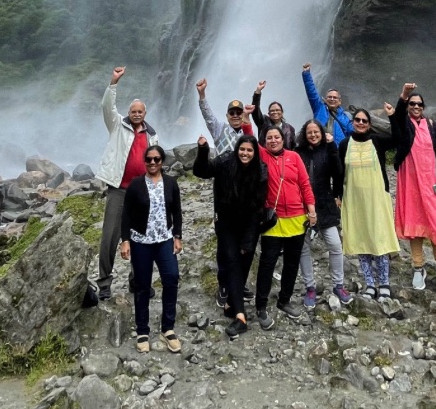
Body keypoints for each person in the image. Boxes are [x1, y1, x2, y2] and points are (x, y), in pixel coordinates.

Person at [95, 66, 161, 300]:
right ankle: (104, 282)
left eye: (139, 111)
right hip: (119, 190)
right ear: (128, 112)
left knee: (140, 237)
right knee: (110, 237)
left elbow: (156, 162)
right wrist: (113, 82)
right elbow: (106, 107)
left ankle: (138, 281)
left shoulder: (152, 135)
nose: (136, 114)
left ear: (145, 113)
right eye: (132, 110)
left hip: (141, 192)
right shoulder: (117, 125)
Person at [193, 134, 268, 337]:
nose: (245, 153)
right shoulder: (225, 161)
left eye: (249, 150)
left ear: (255, 153)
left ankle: (230, 305)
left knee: (244, 262)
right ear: (237, 150)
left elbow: (258, 208)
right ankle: (240, 316)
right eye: (242, 149)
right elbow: (201, 171)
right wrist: (203, 150)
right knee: (233, 262)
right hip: (226, 222)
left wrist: (248, 239)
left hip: (248, 223)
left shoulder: (260, 171)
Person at [389, 83, 436, 290]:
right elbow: (398, 116)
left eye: (419, 104)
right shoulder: (403, 124)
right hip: (410, 180)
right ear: (408, 106)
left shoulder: (433, 125)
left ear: (424, 107)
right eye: (412, 104)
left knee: (435, 219)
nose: (416, 107)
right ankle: (418, 266)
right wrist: (404, 95)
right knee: (414, 220)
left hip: (431, 180)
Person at [119, 144, 183, 353]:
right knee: (142, 285)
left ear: (162, 161)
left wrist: (177, 236)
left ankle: (168, 328)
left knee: (171, 278)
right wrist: (125, 240)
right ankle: (143, 330)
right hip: (141, 241)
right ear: (144, 162)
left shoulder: (171, 183)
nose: (153, 162)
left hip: (164, 239)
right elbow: (126, 214)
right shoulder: (136, 185)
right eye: (149, 159)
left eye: (156, 159)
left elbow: (177, 211)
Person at [254, 125, 316, 329]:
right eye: (269, 137)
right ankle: (261, 306)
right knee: (267, 263)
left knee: (291, 263)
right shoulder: (262, 155)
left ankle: (284, 300)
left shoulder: (294, 157)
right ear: (265, 142)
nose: (273, 140)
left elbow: (305, 184)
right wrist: (247, 115)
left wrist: (311, 210)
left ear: (283, 139)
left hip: (297, 218)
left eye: (276, 137)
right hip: (274, 219)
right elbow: (247, 133)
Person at [338, 107, 400, 299]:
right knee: (361, 239)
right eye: (358, 120)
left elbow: (398, 138)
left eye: (365, 121)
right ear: (353, 122)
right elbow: (340, 173)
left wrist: (392, 115)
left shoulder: (377, 140)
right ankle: (369, 284)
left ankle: (384, 283)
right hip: (354, 198)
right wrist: (337, 195)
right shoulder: (345, 144)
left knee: (379, 238)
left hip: (377, 197)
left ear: (370, 124)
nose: (361, 123)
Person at [293, 119, 350, 307]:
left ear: (321, 132)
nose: (313, 135)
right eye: (309, 132)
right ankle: (310, 287)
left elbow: (338, 172)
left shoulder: (328, 149)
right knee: (303, 249)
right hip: (302, 207)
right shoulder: (298, 152)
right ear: (305, 134)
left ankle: (338, 285)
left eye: (316, 131)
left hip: (325, 205)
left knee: (335, 245)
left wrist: (332, 145)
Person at [302, 63, 352, 143]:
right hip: (320, 148)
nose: (332, 99)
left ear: (339, 101)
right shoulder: (319, 108)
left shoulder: (346, 117)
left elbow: (353, 134)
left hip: (338, 151)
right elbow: (311, 92)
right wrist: (306, 74)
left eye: (335, 97)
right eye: (329, 97)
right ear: (325, 99)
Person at [251, 80, 296, 149]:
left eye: (277, 110)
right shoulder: (263, 123)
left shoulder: (290, 129)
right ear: (268, 114)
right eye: (272, 111)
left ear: (282, 112)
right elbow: (255, 109)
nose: (275, 112)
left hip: (284, 158)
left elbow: (293, 147)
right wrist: (258, 91)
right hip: (265, 158)